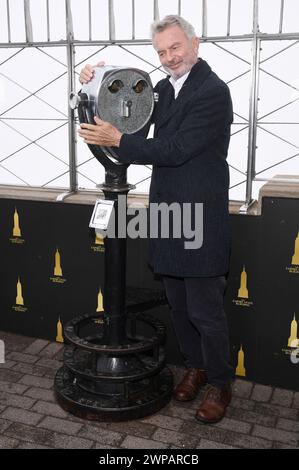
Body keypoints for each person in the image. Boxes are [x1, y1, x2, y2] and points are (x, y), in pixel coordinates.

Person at [78, 15, 234, 424]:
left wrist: (119, 141)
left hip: (198, 215)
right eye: (162, 52)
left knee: (205, 311)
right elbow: (128, 111)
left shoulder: (214, 92)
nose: (169, 57)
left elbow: (177, 148)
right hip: (167, 214)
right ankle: (195, 368)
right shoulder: (162, 89)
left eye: (175, 48)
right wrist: (92, 81)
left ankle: (220, 382)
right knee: (180, 307)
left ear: (195, 44)